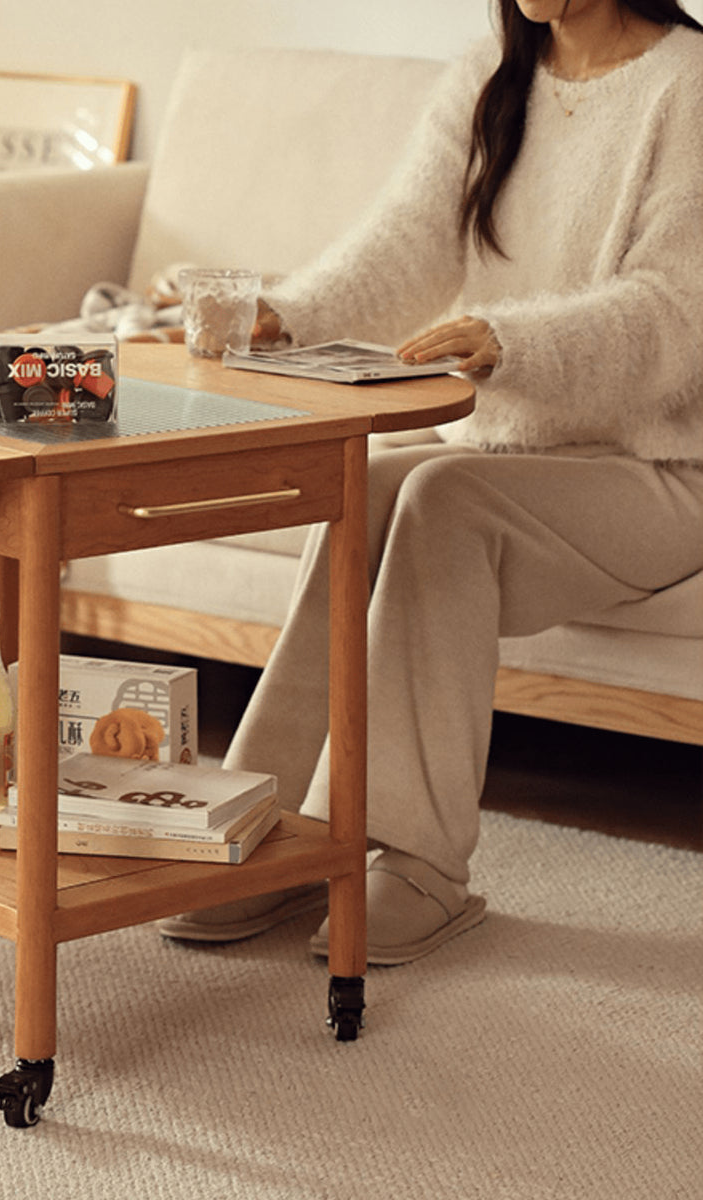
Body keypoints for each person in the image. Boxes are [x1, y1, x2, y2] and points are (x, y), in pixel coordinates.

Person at [157, 0, 703, 963]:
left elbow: (676, 314)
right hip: (518, 455)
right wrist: (281, 313)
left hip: (664, 469)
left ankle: (420, 864)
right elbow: (408, 238)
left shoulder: (688, 86)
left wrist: (513, 340)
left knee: (444, 499)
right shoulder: (496, 66)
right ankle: (262, 827)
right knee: (359, 487)